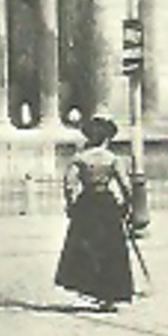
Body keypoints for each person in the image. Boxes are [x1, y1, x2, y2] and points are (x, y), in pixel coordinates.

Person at [55, 115, 136, 311]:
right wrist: (126, 205)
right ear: (106, 138)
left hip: (87, 204)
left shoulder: (80, 158)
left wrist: (71, 204)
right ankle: (109, 295)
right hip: (106, 204)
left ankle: (91, 288)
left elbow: (69, 184)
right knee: (111, 249)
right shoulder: (112, 159)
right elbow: (125, 185)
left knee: (87, 247)